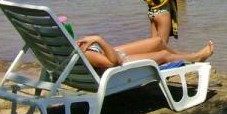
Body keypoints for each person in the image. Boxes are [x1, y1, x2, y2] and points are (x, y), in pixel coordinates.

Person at [77, 34, 214, 71]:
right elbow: (114, 62)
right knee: (163, 55)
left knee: (158, 42)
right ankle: (196, 57)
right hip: (119, 62)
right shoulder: (86, 55)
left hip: (105, 53)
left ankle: (184, 57)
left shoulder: (73, 50)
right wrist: (98, 39)